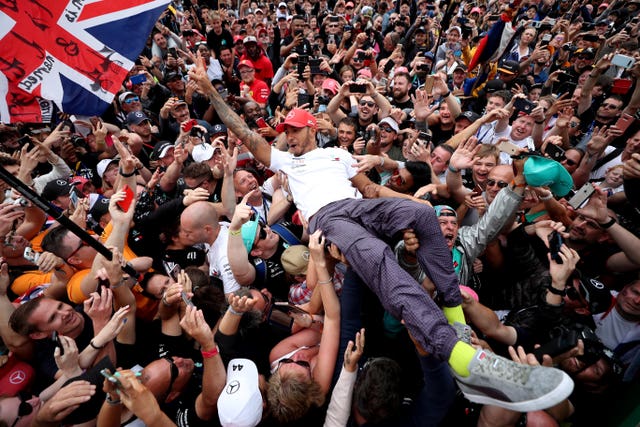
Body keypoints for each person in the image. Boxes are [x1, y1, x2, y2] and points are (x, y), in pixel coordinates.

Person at [190, 61, 574, 413]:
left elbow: (372, 192)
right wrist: (210, 89)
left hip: (358, 207)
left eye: (293, 129)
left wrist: (418, 199)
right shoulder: (286, 161)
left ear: (310, 128)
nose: (288, 136)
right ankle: (463, 359)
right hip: (330, 219)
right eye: (284, 131)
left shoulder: (337, 155)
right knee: (378, 258)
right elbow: (242, 130)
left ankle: (455, 318)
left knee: (422, 214)